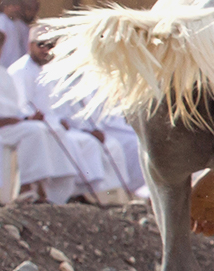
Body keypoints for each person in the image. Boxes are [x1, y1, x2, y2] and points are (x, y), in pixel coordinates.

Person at [0, 28, 78, 201]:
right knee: (34, 131)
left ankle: (41, 188)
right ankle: (27, 187)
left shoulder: (3, 73)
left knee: (39, 128)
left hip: (7, 125)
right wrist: (3, 121)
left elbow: (14, 107)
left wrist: (26, 118)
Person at [10, 27, 127, 198]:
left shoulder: (48, 69)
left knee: (91, 144)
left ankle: (80, 193)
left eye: (49, 46)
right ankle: (48, 193)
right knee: (71, 144)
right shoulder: (20, 70)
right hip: (31, 124)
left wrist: (59, 120)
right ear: (30, 45)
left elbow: (53, 106)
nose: (45, 50)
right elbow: (21, 104)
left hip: (53, 123)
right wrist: (31, 116)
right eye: (41, 45)